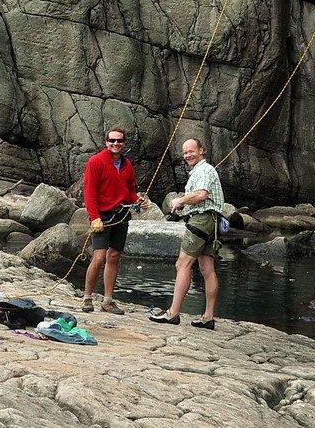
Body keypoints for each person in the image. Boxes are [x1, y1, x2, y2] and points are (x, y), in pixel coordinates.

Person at [150, 138, 224, 330]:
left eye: (192, 151)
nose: (188, 155)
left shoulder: (205, 170)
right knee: (207, 268)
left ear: (201, 150)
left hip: (202, 220)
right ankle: (208, 317)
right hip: (211, 222)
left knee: (182, 263)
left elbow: (202, 195)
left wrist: (180, 200)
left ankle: (173, 314)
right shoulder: (200, 171)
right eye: (185, 152)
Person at [82, 126, 147, 314]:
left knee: (114, 257)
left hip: (121, 215)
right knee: (99, 257)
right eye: (112, 141)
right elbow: (89, 192)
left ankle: (108, 300)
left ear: (124, 144)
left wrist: (137, 200)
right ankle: (87, 298)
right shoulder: (96, 162)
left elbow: (129, 190)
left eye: (119, 141)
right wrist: (94, 218)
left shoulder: (127, 165)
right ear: (106, 142)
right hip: (102, 216)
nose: (116, 144)